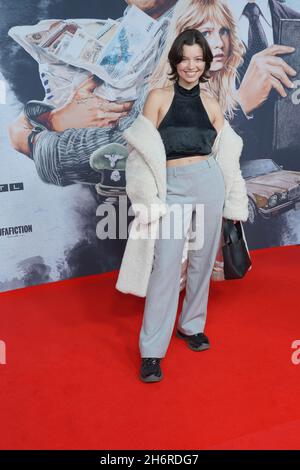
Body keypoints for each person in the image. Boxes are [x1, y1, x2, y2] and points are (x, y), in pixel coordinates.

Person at [115, 29, 249, 383]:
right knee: (166, 266)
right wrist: (146, 199)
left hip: (208, 183)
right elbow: (141, 154)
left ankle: (191, 326)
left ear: (206, 64)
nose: (191, 65)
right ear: (175, 61)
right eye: (185, 58)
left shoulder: (211, 104)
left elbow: (227, 155)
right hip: (171, 188)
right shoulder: (157, 97)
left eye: (198, 59)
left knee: (204, 259)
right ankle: (152, 352)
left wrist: (234, 200)